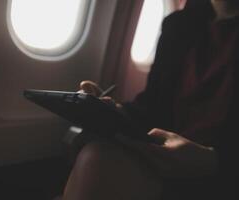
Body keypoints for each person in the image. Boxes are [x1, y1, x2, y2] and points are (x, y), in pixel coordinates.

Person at [58, 0, 239, 199]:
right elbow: (151, 107)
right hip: (166, 159)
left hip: (222, 173)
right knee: (96, 153)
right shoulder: (179, 25)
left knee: (99, 162)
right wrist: (114, 110)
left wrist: (213, 161)